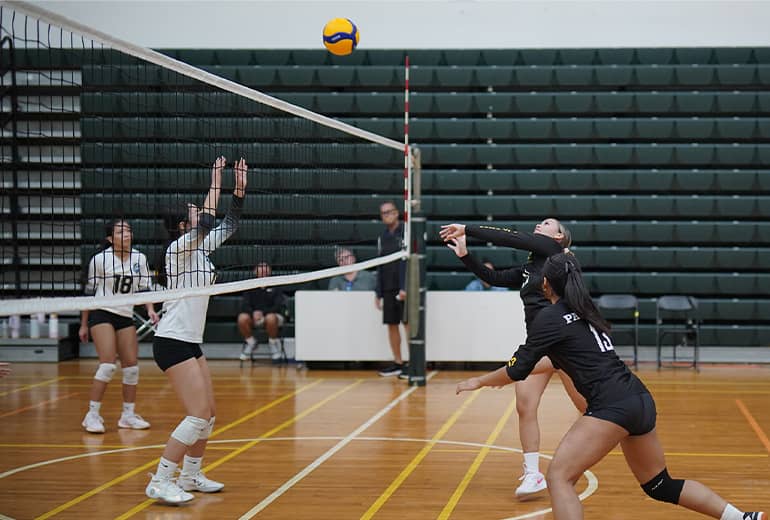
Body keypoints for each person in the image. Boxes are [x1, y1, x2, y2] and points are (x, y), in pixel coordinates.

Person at [456, 253, 766, 520]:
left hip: (612, 406)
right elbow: (550, 362)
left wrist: (479, 381)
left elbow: (518, 368)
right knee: (660, 485)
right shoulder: (586, 310)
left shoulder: (549, 318)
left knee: (559, 477)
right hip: (638, 398)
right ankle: (741, 517)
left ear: (546, 285)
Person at [441, 219, 585, 499]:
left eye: (546, 223)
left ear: (558, 236)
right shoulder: (531, 268)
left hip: (565, 343)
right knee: (525, 406)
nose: (539, 224)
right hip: (540, 345)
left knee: (590, 408)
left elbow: (514, 238)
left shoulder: (552, 250)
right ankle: (533, 474)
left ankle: (590, 451)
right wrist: (465, 255)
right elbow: (494, 279)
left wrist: (467, 228)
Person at [145, 156, 246, 504]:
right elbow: (206, 221)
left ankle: (190, 475)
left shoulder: (201, 249)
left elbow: (229, 224)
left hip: (190, 341)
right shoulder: (177, 251)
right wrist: (216, 180)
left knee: (209, 414)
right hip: (172, 341)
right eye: (191, 211)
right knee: (197, 413)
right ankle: (160, 479)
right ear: (180, 224)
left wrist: (239, 191)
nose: (197, 212)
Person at [79, 219, 158, 434]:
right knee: (107, 365)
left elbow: (144, 289)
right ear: (110, 239)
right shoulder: (99, 260)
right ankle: (92, 415)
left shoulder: (139, 258)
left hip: (125, 314)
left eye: (128, 230)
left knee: (131, 368)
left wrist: (150, 309)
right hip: (101, 312)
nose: (126, 234)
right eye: (120, 231)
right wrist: (84, 324)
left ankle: (128, 415)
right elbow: (88, 294)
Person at [375, 201, 408, 377]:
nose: (387, 215)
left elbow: (410, 262)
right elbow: (379, 265)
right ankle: (398, 362)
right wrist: (378, 293)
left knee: (409, 325)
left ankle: (412, 364)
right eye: (384, 213)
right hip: (388, 288)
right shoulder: (382, 238)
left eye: (390, 212)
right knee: (392, 326)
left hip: (404, 289)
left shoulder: (406, 232)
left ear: (397, 213)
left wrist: (405, 287)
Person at [238, 262, 288, 362]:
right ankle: (251, 342)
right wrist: (253, 313)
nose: (263, 269)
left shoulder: (275, 284)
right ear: (255, 271)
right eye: (260, 267)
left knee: (271, 318)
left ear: (269, 271)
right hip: (254, 316)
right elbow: (245, 304)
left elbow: (278, 305)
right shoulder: (249, 285)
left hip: (272, 316)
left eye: (265, 267)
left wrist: (263, 313)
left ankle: (273, 343)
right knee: (242, 318)